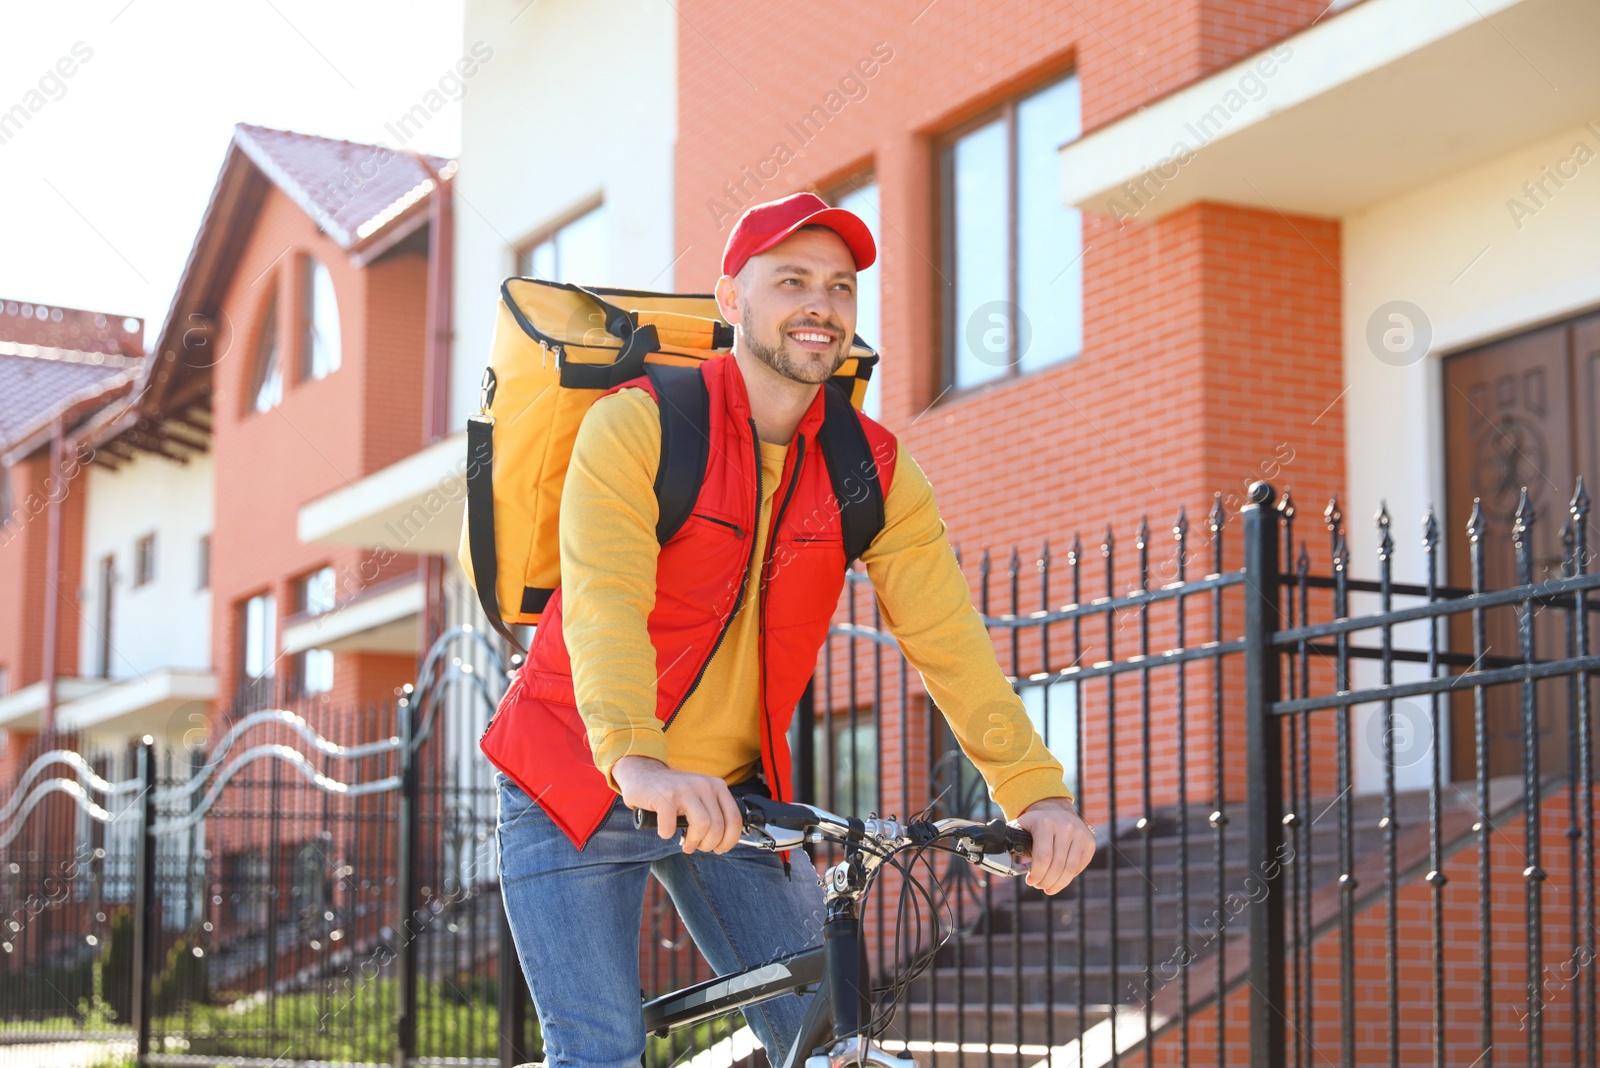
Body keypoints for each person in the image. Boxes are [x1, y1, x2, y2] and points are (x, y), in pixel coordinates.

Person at [487, 191, 1095, 1068]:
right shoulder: (641, 423)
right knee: (600, 1050)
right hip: (573, 775)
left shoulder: (871, 467)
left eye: (841, 287)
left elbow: (948, 638)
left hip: (732, 798)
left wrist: (1033, 791)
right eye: (793, 281)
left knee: (824, 1038)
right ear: (732, 299)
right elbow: (602, 600)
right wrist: (636, 756)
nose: (823, 304)